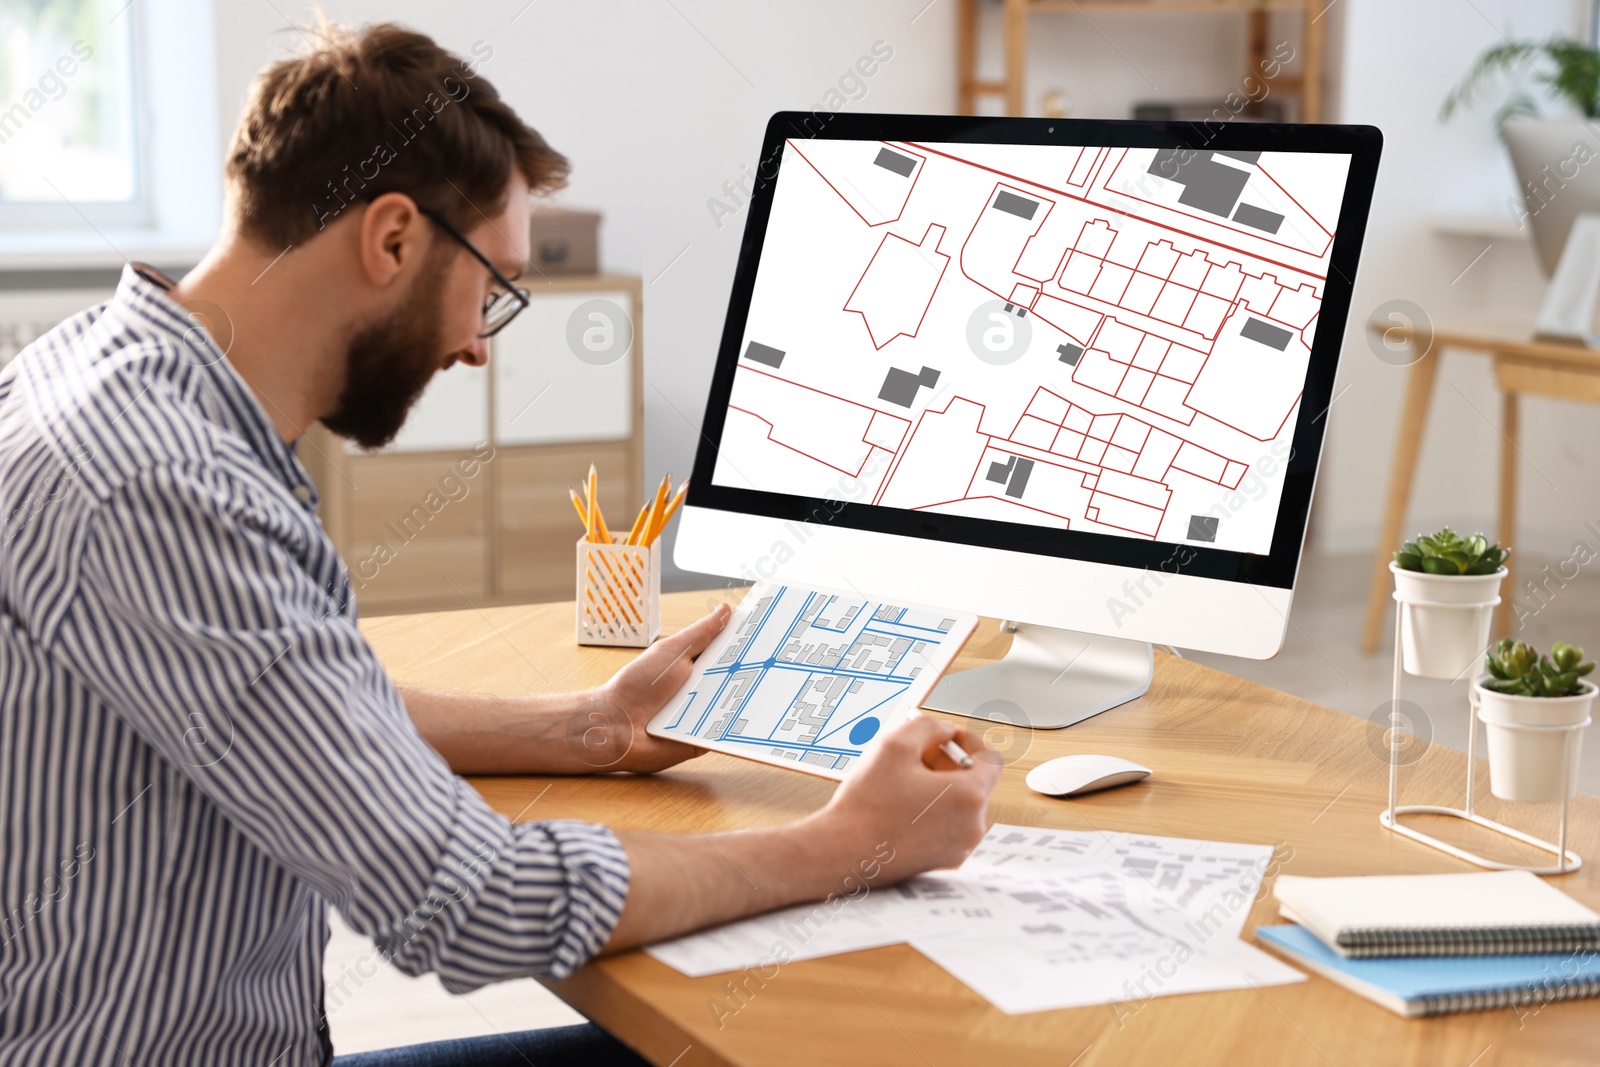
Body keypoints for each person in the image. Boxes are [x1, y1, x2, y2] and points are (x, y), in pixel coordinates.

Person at [0, 19, 1000, 1067]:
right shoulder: (164, 487)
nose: (479, 343)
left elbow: (288, 697)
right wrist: (846, 842)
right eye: (493, 288)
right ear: (392, 239)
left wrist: (589, 727)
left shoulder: (96, 376)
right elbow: (472, 902)